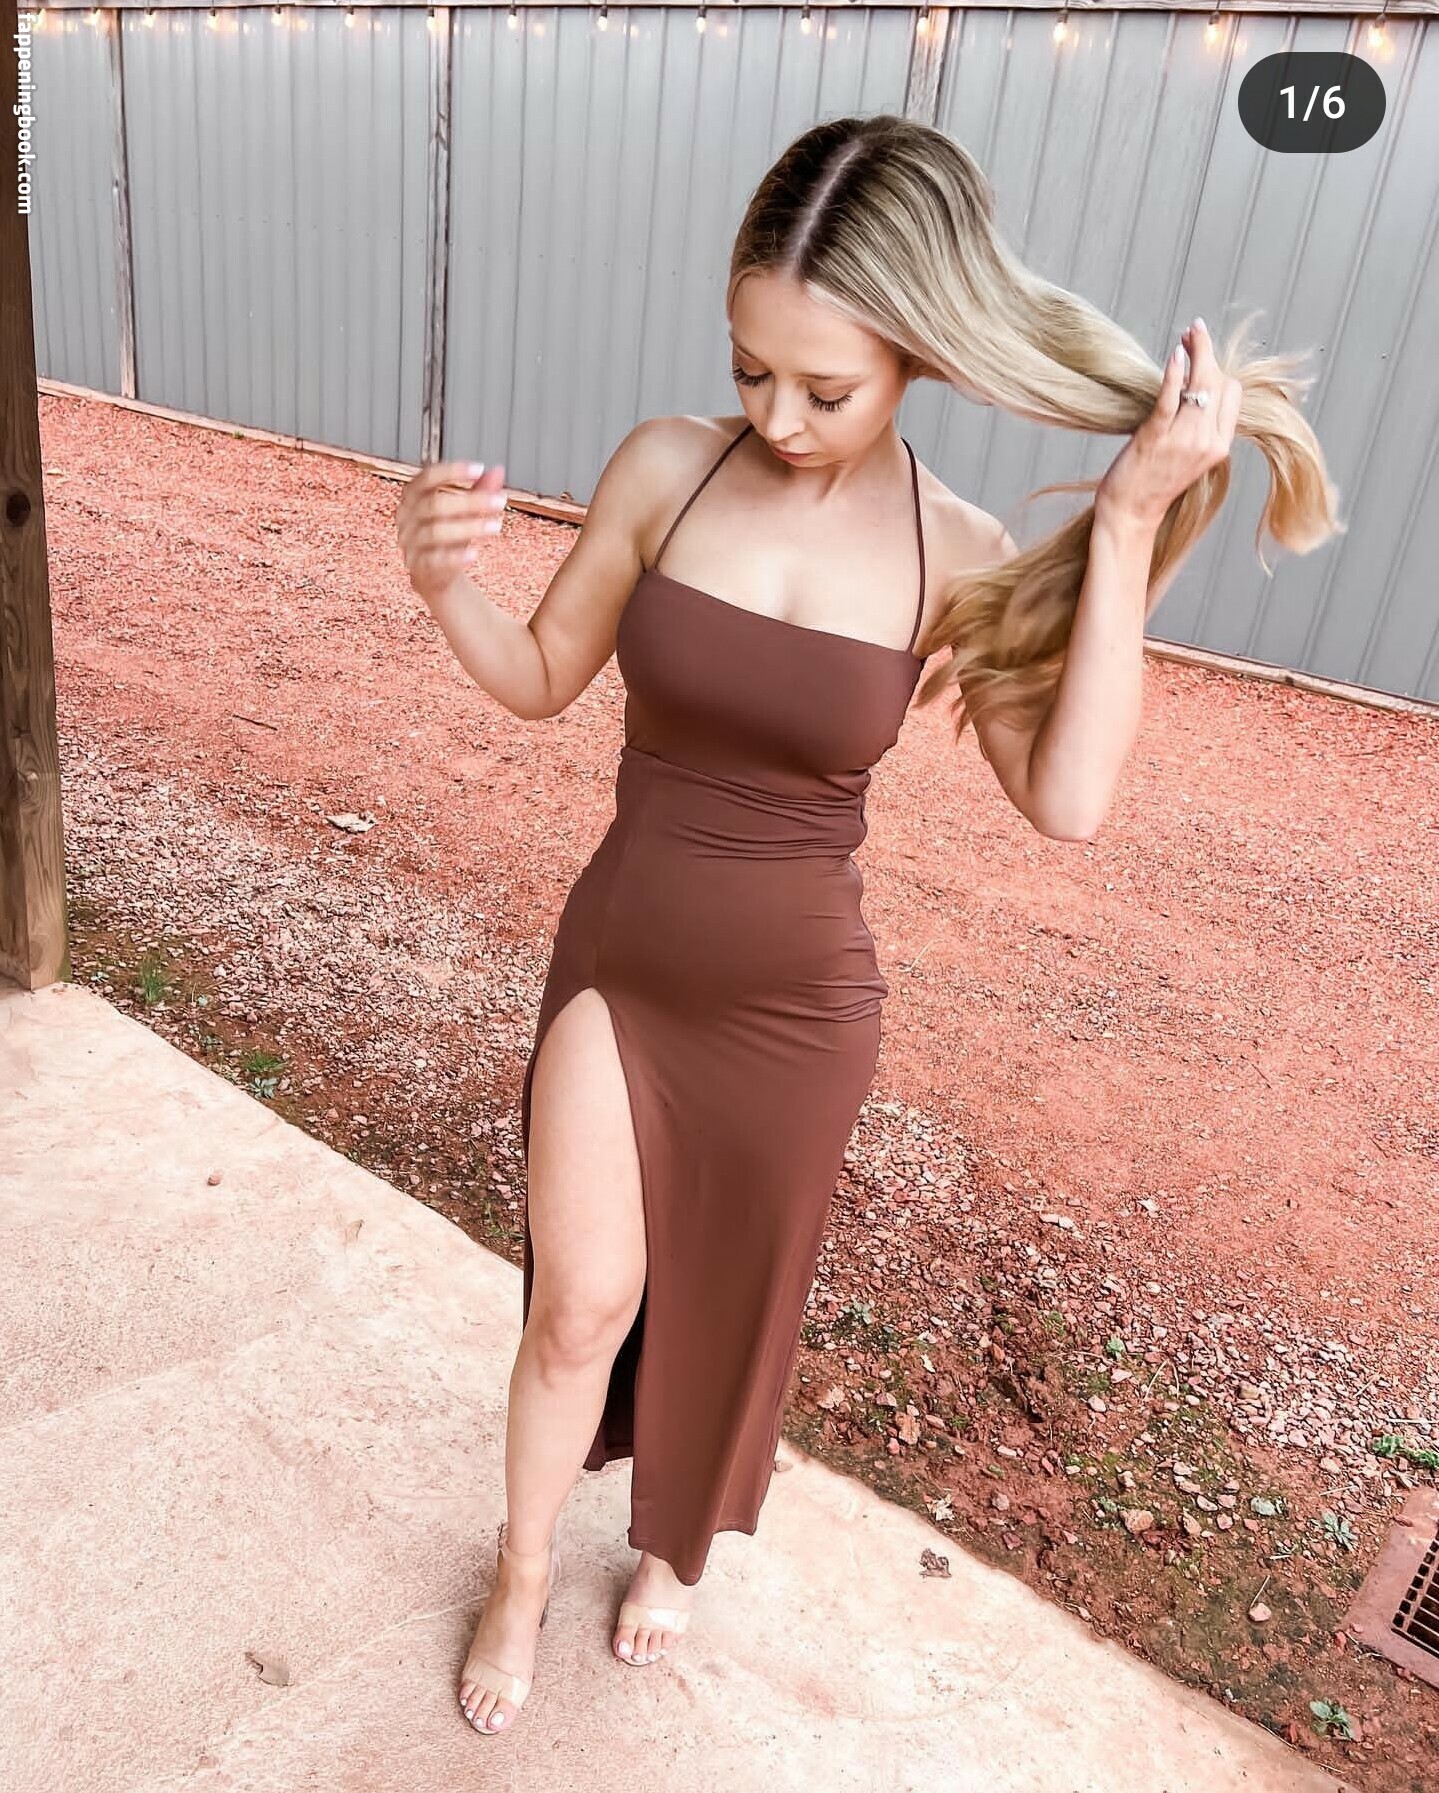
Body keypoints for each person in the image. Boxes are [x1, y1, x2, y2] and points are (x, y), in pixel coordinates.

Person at [394, 113, 1340, 1739]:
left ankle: (674, 1544)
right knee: (579, 1304)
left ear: (922, 351)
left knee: (727, 1306)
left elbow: (1069, 798)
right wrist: (445, 589)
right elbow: (545, 674)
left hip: (796, 1010)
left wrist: (1126, 528)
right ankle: (524, 1564)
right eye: (750, 368)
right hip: (623, 963)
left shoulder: (950, 552)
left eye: (823, 388)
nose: (777, 416)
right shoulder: (666, 468)